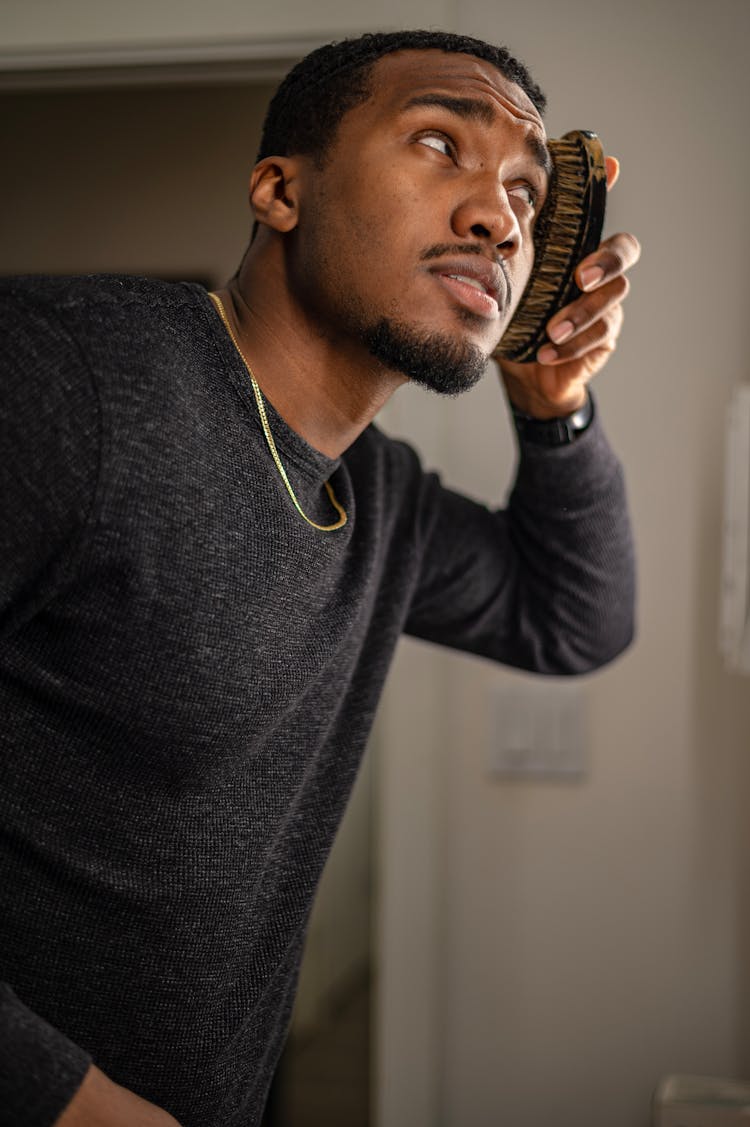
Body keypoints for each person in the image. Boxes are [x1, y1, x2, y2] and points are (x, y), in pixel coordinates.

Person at [0, 28, 639, 1127]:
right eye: (440, 142)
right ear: (279, 190)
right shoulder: (68, 378)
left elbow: (573, 616)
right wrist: (68, 1098)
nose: (500, 218)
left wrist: (555, 405)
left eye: (527, 195)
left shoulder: (377, 497)